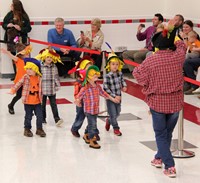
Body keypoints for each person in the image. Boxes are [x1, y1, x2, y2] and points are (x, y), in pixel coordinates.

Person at [133, 21, 186, 178]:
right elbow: (182, 45)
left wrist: (148, 83)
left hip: (158, 102)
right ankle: (158, 157)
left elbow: (137, 74)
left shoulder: (151, 60)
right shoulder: (178, 56)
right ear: (171, 45)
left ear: (156, 45)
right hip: (176, 102)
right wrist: (173, 35)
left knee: (161, 134)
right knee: (167, 133)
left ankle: (169, 166)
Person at [75, 65, 119, 149]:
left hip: (95, 109)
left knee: (91, 123)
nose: (96, 76)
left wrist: (113, 99)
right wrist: (77, 102)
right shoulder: (85, 88)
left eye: (96, 74)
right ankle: (92, 139)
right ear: (88, 77)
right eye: (94, 75)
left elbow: (104, 94)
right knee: (93, 124)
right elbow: (78, 96)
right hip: (88, 110)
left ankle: (86, 134)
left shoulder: (97, 86)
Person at [9, 58, 46, 137]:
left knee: (40, 116)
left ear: (36, 70)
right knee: (28, 116)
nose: (28, 71)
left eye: (31, 69)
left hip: (38, 101)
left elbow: (43, 87)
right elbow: (18, 83)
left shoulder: (39, 78)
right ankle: (27, 129)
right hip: (28, 101)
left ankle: (39, 129)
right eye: (27, 69)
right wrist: (13, 90)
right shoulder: (25, 77)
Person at [2, 0, 32, 80]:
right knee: (13, 56)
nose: (10, 7)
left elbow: (29, 28)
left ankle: (24, 73)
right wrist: (7, 25)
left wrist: (20, 28)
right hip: (10, 40)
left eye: (12, 5)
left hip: (21, 39)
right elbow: (3, 24)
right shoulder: (9, 15)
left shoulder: (24, 16)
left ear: (16, 6)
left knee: (22, 57)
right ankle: (16, 74)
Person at [35, 48, 64, 126]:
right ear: (44, 57)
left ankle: (57, 119)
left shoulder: (54, 67)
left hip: (51, 89)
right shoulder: (40, 67)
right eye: (47, 57)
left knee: (53, 104)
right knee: (42, 105)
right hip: (43, 89)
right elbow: (37, 77)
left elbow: (56, 77)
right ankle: (43, 118)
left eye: (51, 57)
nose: (49, 59)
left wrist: (58, 85)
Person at [1, 43, 32, 114]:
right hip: (20, 81)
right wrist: (7, 53)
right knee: (19, 96)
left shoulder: (29, 61)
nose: (28, 55)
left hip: (27, 81)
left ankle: (28, 110)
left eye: (28, 53)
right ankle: (11, 105)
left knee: (28, 95)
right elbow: (12, 56)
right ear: (21, 54)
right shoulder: (18, 60)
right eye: (26, 54)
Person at [69, 56, 94, 137]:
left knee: (92, 117)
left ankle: (89, 131)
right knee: (80, 116)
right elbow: (76, 92)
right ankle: (75, 128)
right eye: (88, 68)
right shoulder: (79, 82)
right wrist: (77, 100)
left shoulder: (92, 80)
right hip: (81, 102)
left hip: (91, 102)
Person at [103, 53, 127, 136]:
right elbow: (105, 88)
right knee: (113, 114)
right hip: (110, 98)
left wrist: (124, 86)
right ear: (109, 65)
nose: (115, 66)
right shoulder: (107, 76)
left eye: (117, 64)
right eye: (113, 64)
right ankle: (116, 128)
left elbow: (123, 81)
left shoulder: (120, 74)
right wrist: (113, 96)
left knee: (118, 113)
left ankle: (109, 120)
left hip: (119, 97)